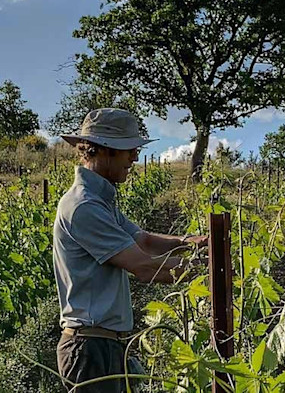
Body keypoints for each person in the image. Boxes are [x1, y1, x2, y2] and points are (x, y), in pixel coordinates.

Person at [53, 108, 206, 392]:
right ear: (104, 151)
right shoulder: (84, 206)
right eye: (129, 150)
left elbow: (144, 241)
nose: (135, 157)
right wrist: (209, 273)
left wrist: (187, 241)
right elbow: (145, 266)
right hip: (90, 349)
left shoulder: (100, 201)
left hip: (105, 344)